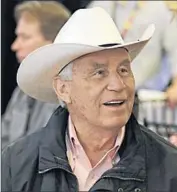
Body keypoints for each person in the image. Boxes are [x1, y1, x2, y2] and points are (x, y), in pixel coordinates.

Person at [2, 7, 177, 192]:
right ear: (63, 89)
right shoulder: (16, 164)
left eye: (124, 70)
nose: (118, 85)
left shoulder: (169, 165)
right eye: (99, 73)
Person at [1, 1, 70, 149]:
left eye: (25, 37)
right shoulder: (22, 90)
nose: (15, 46)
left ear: (52, 43)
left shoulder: (69, 95)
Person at [87, 1, 177, 108]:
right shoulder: (99, 6)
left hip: (145, 98)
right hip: (104, 93)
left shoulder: (159, 8)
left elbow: (174, 49)